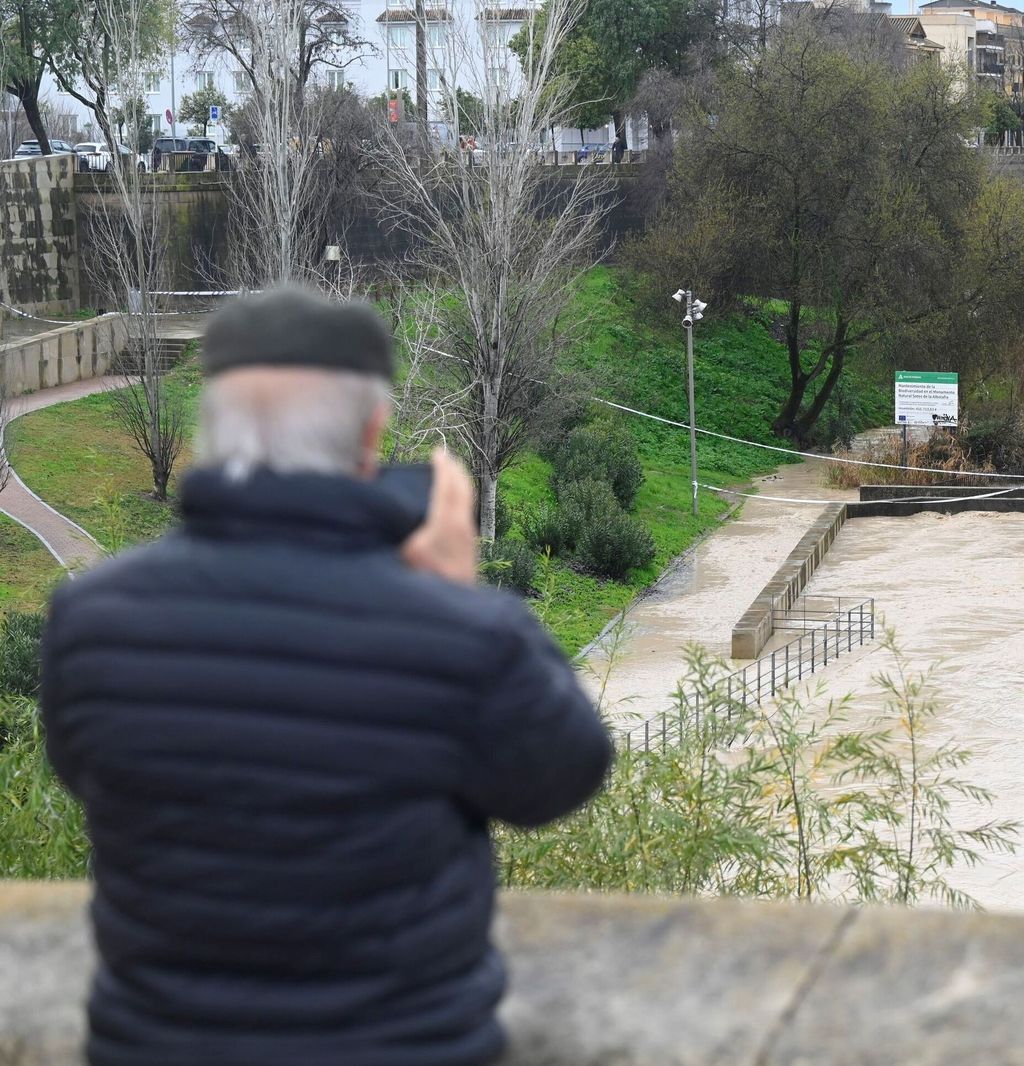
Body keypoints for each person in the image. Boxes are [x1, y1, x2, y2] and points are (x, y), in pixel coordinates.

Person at [40, 287, 612, 1066]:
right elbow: (562, 779)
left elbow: (89, 776)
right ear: (372, 431)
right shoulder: (462, 636)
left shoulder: (89, 619)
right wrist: (459, 592)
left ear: (210, 430)